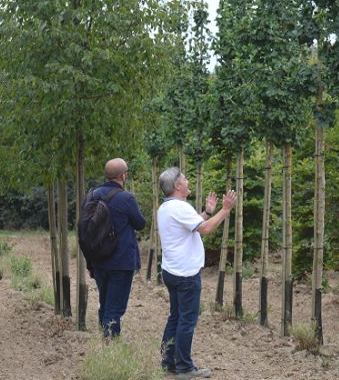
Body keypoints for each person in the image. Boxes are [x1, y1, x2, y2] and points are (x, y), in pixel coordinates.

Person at [157, 167, 236, 379]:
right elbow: (205, 229)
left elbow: (192, 224)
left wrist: (207, 212)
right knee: (187, 320)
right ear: (177, 186)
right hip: (185, 275)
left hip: (171, 271)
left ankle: (168, 362)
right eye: (185, 178)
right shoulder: (180, 208)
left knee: (176, 317)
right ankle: (184, 367)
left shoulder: (167, 208)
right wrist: (225, 210)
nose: (188, 180)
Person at [88, 158, 146, 337]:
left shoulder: (91, 196)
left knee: (104, 302)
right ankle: (111, 346)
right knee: (115, 307)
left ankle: (104, 341)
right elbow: (140, 223)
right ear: (123, 175)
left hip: (98, 259)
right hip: (121, 262)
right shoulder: (126, 198)